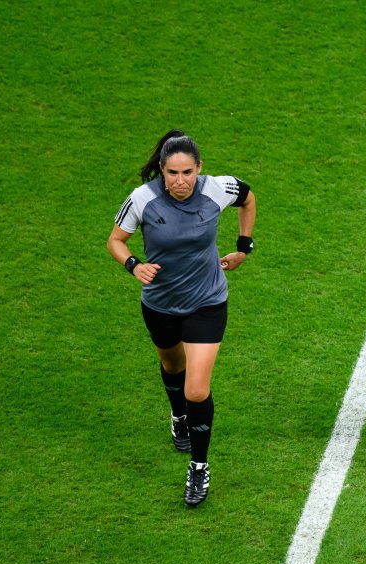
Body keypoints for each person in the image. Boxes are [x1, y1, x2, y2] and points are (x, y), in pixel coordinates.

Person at [107, 129, 256, 507]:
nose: (180, 181)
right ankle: (178, 418)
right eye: (172, 173)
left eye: (187, 172)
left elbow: (248, 197)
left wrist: (243, 247)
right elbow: (115, 240)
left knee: (196, 389)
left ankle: (199, 466)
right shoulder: (142, 200)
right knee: (171, 365)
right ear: (161, 169)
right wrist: (133, 265)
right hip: (160, 303)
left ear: (199, 168)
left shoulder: (216, 189)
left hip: (207, 302)